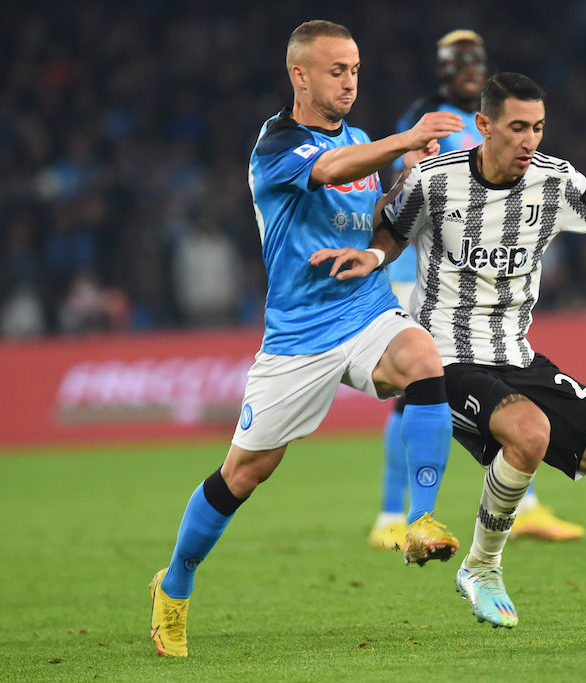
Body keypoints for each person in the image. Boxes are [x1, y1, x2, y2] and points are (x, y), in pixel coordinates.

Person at [310, 72, 586, 639]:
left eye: (538, 128)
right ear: (484, 126)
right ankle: (481, 568)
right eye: (518, 128)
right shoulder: (434, 179)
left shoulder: (556, 182)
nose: (530, 140)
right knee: (528, 432)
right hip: (444, 358)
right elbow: (390, 228)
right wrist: (376, 257)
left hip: (518, 356)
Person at [148, 20, 467, 657]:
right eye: (336, 71)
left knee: (423, 359)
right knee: (245, 473)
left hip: (365, 309)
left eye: (355, 71)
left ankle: (421, 519)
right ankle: (174, 584)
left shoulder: (362, 141)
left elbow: (376, 217)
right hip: (298, 335)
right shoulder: (277, 143)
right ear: (300, 75)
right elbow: (328, 169)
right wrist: (406, 139)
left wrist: (405, 181)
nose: (349, 82)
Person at [369, 30, 585, 553]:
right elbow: (405, 185)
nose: (469, 67)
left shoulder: (496, 118)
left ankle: (524, 508)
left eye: (476, 59)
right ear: (441, 68)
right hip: (423, 269)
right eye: (457, 59)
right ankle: (390, 515)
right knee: (416, 392)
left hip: (481, 273)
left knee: (504, 379)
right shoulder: (427, 117)